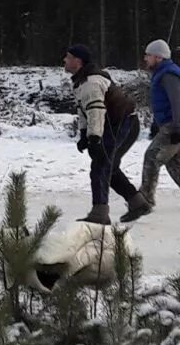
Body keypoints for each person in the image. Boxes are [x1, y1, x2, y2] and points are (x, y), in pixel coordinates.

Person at [64, 44, 149, 225]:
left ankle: (100, 212)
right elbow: (84, 110)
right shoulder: (82, 81)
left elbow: (96, 110)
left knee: (101, 166)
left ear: (78, 61)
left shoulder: (91, 83)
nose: (64, 60)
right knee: (108, 166)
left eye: (68, 57)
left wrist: (94, 138)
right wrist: (84, 133)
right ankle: (137, 202)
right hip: (118, 124)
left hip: (122, 124)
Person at [127, 39, 180, 223]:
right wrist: (156, 124)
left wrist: (177, 127)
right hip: (170, 124)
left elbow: (178, 102)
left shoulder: (169, 75)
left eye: (148, 55)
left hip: (175, 126)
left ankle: (144, 200)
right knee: (175, 165)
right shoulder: (162, 73)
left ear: (158, 57)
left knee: (152, 157)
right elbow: (164, 103)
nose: (145, 58)